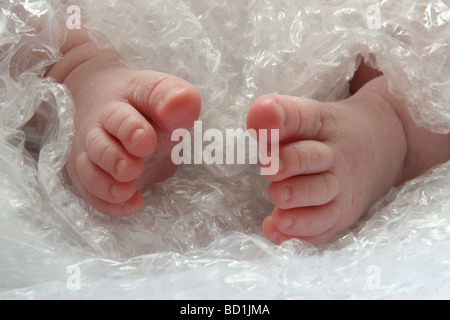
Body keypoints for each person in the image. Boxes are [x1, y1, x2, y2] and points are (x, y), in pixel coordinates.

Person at [46, 27, 450, 247]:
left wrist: (390, 108)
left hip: (336, 38)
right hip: (124, 35)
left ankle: (386, 123)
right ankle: (81, 72)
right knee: (45, 28)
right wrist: (79, 63)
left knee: (419, 45)